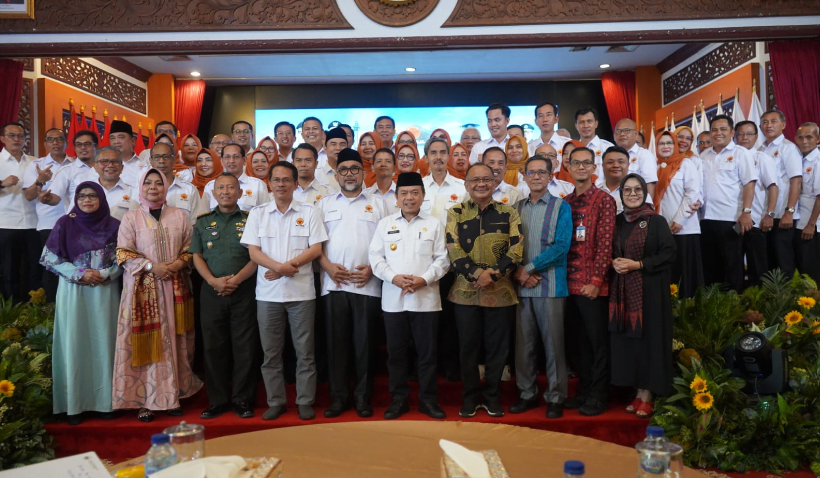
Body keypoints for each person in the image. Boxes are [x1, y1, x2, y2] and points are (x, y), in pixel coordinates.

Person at [113, 168, 203, 422]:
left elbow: (190, 248)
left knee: (176, 340)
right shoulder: (130, 218)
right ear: (140, 187)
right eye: (148, 183)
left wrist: (176, 265)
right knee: (148, 344)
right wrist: (153, 267)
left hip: (174, 286)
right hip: (142, 291)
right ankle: (146, 400)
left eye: (158, 184)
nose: (153, 188)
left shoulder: (180, 216)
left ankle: (174, 394)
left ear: (166, 188)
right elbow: (123, 253)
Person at [241, 161, 328, 421]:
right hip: (267, 295)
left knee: (305, 352)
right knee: (271, 353)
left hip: (302, 294)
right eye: (276, 180)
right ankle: (276, 401)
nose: (281, 184)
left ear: (294, 183)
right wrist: (279, 268)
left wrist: (287, 267)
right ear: (269, 183)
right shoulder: (258, 213)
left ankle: (304, 401)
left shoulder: (309, 211)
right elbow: (253, 251)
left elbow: (316, 249)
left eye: (286, 180)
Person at [41, 181, 122, 425]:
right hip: (74, 292)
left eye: (93, 196)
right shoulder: (65, 224)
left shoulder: (115, 226)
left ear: (102, 199)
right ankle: (74, 405)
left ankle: (106, 403)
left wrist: (106, 274)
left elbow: (124, 258)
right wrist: (79, 273)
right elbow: (49, 258)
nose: (87, 200)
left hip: (104, 292)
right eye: (82, 196)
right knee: (75, 343)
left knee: (104, 342)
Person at [370, 171, 449, 419]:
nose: (409, 198)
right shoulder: (385, 224)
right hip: (394, 300)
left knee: (427, 354)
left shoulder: (434, 223)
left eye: (415, 193)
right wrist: (393, 277)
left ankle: (428, 400)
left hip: (426, 299)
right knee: (396, 355)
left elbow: (443, 260)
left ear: (423, 196)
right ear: (396, 197)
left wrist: (423, 279)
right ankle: (399, 400)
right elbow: (375, 258)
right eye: (404, 193)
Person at [446, 163, 523, 418]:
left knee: (497, 349)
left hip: (500, 292)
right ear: (466, 185)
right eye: (475, 180)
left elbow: (517, 249)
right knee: (467, 348)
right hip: (464, 292)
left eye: (486, 179)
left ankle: (492, 397)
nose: (481, 184)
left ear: (494, 183)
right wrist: (478, 273)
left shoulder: (508, 212)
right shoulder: (455, 212)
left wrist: (494, 274)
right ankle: (470, 398)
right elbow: (453, 249)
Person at [317, 149, 388, 418]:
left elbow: (387, 245)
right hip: (333, 286)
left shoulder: (378, 204)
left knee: (365, 346)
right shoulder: (323, 204)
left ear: (362, 173)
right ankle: (338, 398)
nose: (349, 174)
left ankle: (362, 398)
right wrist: (327, 267)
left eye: (354, 169)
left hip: (367, 286)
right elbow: (314, 245)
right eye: (344, 169)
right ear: (336, 175)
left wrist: (372, 270)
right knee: (336, 346)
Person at [510, 155, 572, 419]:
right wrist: (518, 272)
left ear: (550, 176)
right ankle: (527, 394)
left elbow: (561, 246)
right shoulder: (515, 207)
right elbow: (508, 245)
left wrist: (530, 269)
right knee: (524, 346)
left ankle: (556, 397)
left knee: (554, 344)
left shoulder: (561, 207)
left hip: (551, 286)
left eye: (541, 172)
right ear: (524, 176)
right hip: (521, 287)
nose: (536, 176)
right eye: (531, 172)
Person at [191, 173, 259, 420]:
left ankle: (242, 399)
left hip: (244, 290)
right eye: (221, 187)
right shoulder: (202, 222)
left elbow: (256, 255)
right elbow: (196, 255)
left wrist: (237, 280)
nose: (226, 191)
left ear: (241, 193)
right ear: (213, 192)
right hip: (211, 290)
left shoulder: (252, 220)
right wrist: (212, 280)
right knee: (213, 347)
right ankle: (217, 400)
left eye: (231, 187)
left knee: (245, 347)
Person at [610, 173, 676, 418]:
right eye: (627, 190)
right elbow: (608, 248)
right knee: (632, 345)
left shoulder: (656, 221)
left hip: (650, 293)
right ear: (621, 194)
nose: (633, 194)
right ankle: (638, 391)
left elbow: (669, 254)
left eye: (637, 189)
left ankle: (648, 394)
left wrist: (638, 265)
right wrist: (613, 262)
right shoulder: (616, 221)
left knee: (650, 342)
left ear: (645, 192)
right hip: (622, 293)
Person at [563, 146, 616, 417]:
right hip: (568, 286)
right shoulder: (566, 202)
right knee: (578, 343)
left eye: (586, 163)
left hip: (593, 286)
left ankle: (598, 394)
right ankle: (583, 391)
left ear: (594, 168)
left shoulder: (604, 200)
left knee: (597, 344)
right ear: (568, 168)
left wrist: (596, 281)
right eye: (576, 163)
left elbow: (605, 244)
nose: (581, 168)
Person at [422, 137, 466, 382]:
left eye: (442, 152)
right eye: (433, 152)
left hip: (453, 267)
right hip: (423, 267)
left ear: (448, 156)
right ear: (426, 156)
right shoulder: (417, 187)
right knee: (425, 320)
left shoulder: (461, 188)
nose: (438, 157)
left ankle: (450, 367)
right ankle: (426, 367)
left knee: (450, 319)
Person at [700, 115, 757, 292]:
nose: (718, 133)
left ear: (732, 132)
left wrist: (746, 212)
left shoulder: (741, 153)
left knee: (732, 268)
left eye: (723, 129)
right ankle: (714, 310)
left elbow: (749, 184)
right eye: (714, 129)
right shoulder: (703, 156)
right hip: (705, 219)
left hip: (730, 219)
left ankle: (735, 309)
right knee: (710, 268)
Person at [23, 128, 72, 301]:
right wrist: (40, 180)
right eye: (51, 139)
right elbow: (28, 196)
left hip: (72, 225)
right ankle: (50, 311)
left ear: (65, 142)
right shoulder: (37, 164)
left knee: (71, 268)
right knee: (50, 269)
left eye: (59, 139)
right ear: (45, 144)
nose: (56, 142)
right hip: (48, 225)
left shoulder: (74, 164)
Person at [653, 132, 703, 298]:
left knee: (684, 275)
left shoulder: (685, 164)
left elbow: (693, 193)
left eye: (669, 143)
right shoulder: (654, 166)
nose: (665, 147)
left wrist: (679, 220)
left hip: (684, 228)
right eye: (661, 143)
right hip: (661, 229)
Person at [760, 109, 803, 278]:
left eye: (773, 121)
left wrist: (789, 212)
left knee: (784, 262)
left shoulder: (788, 148)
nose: (768, 125)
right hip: (765, 215)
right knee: (769, 264)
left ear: (783, 125)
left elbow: (796, 181)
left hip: (782, 215)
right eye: (765, 122)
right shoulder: (761, 149)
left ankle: (788, 303)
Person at [734, 121, 778, 286]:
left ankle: (759, 304)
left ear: (756, 136)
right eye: (740, 134)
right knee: (735, 264)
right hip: (734, 221)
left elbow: (773, 187)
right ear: (735, 135)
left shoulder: (762, 158)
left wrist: (769, 214)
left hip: (755, 221)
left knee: (757, 266)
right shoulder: (732, 156)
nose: (744, 137)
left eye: (749, 134)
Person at [0, 122, 38, 301]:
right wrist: (2, 183)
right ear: (2, 139)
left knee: (34, 270)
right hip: (6, 223)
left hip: (34, 223)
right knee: (9, 272)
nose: (16, 139)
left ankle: (35, 311)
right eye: (11, 135)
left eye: (20, 136)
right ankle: (11, 313)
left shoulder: (34, 161)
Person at [150, 142, 203, 226]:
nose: (161, 161)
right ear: (151, 161)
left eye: (166, 157)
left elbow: (196, 224)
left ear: (174, 160)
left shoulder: (189, 190)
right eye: (157, 157)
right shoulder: (142, 190)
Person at [203, 144, 269, 211]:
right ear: (222, 161)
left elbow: (265, 215)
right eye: (227, 157)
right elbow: (204, 217)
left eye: (236, 157)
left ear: (244, 160)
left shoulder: (258, 185)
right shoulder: (210, 186)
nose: (231, 161)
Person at [794, 123, 820, 282]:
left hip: (811, 227)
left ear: (817, 139)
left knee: (811, 273)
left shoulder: (818, 161)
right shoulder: (797, 159)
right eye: (800, 137)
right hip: (797, 223)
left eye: (809, 137)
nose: (804, 141)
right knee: (800, 270)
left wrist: (811, 224)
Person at [598, 146, 654, 214]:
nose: (615, 165)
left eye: (621, 162)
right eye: (610, 162)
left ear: (628, 165)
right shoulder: (594, 192)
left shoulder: (639, 193)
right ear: (602, 166)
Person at [89, 147, 139, 221]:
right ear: (95, 166)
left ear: (122, 167)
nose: (110, 165)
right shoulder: (86, 191)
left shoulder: (134, 192)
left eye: (115, 161)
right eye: (104, 161)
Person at [613, 119, 658, 196]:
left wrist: (646, 207)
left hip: (635, 204)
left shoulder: (644, 155)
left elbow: (649, 185)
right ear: (614, 136)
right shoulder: (610, 156)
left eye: (626, 130)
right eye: (618, 131)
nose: (622, 134)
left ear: (636, 134)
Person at [574, 108, 614, 176]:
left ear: (596, 124)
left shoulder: (608, 148)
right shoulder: (572, 148)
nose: (586, 126)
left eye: (589, 121)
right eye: (581, 122)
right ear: (576, 126)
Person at [109, 120, 147, 187]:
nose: (116, 141)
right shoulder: (103, 166)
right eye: (112, 138)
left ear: (133, 141)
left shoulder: (145, 166)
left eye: (121, 137)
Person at [368, 148, 400, 215]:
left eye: (388, 161)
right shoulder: (366, 195)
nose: (383, 164)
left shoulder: (402, 195)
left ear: (395, 168)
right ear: (372, 168)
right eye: (379, 161)